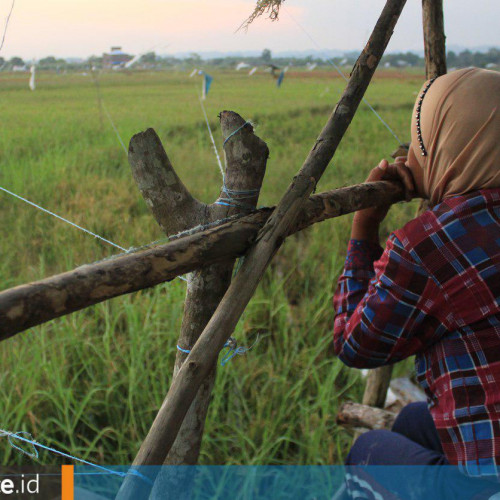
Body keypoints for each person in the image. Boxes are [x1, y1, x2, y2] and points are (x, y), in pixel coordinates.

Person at [332, 67, 500, 488]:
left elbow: (356, 344)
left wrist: (364, 226)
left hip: (489, 478)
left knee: (367, 451)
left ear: (441, 141)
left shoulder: (428, 244)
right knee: (409, 419)